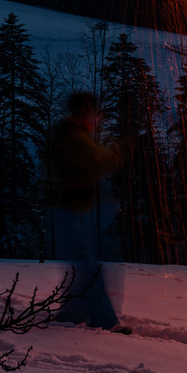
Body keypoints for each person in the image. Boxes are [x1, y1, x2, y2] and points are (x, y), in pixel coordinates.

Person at [47, 91, 125, 330]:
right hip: (68, 212)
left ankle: (72, 314)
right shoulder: (72, 136)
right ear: (84, 110)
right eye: (92, 111)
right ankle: (105, 320)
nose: (94, 117)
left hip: (75, 212)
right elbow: (99, 160)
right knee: (88, 267)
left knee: (84, 265)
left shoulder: (73, 135)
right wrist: (121, 149)